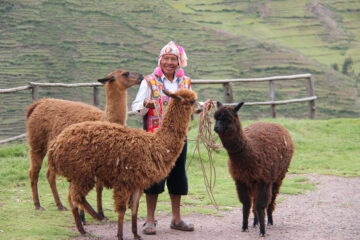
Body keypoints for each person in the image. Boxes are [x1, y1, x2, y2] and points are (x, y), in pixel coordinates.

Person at [131, 41, 194, 235]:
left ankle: (176, 219)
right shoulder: (149, 81)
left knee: (177, 176)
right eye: (165, 59)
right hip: (154, 139)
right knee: (154, 178)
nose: (169, 63)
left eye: (173, 59)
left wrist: (201, 105)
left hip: (178, 140)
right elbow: (136, 107)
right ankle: (150, 220)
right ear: (160, 61)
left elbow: (190, 104)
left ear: (178, 62)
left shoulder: (185, 82)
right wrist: (146, 105)